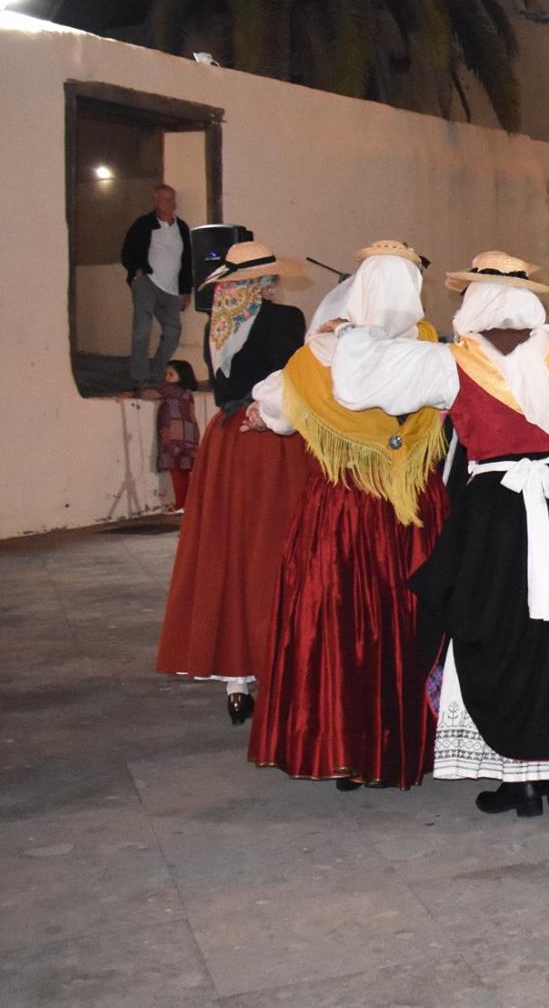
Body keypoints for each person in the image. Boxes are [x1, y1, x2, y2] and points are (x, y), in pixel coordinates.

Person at [331, 251, 549, 817]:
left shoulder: (450, 363)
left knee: (496, 634)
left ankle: (521, 779)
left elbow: (359, 382)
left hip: (495, 514)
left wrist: (356, 329)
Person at [246, 243, 450, 790]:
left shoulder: (316, 358)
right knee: (414, 622)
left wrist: (261, 415)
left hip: (344, 512)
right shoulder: (429, 348)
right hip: (414, 509)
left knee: (344, 627)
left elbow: (278, 415)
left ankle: (345, 746)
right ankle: (417, 740)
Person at [155, 240, 316, 725]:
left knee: (228, 549)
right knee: (276, 549)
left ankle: (236, 680)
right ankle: (279, 663)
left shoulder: (217, 323)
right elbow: (294, 378)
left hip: (226, 440)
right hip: (270, 440)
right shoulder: (285, 319)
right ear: (265, 281)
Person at [120, 183, 194, 388]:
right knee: (142, 329)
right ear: (156, 201)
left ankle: (157, 374)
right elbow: (127, 251)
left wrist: (186, 290)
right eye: (166, 199)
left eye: (173, 199)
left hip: (171, 288)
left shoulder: (181, 227)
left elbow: (187, 260)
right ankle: (140, 377)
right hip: (147, 282)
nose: (171, 203)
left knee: (172, 332)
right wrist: (136, 270)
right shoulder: (143, 224)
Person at [156, 360, 199, 511]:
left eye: (171, 374)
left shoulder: (173, 391)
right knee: (183, 471)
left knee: (177, 472)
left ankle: (181, 504)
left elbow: (151, 393)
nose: (166, 377)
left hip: (176, 436)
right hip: (187, 435)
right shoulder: (186, 393)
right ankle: (185, 504)